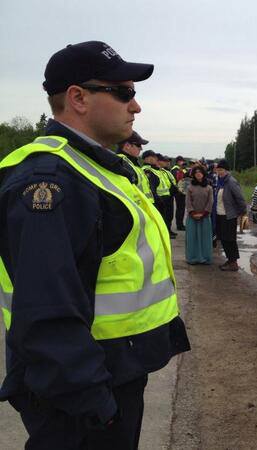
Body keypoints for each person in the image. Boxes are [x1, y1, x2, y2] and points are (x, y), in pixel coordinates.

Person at [0, 41, 190, 450]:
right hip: (80, 394)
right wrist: (93, 404)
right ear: (78, 98)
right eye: (123, 93)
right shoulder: (52, 180)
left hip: (108, 374)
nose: (135, 106)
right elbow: (46, 312)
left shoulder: (96, 167)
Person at [214, 159, 246, 271]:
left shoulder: (231, 182)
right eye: (218, 170)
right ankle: (230, 260)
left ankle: (233, 263)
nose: (220, 172)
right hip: (220, 215)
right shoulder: (219, 182)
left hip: (229, 216)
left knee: (230, 240)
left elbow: (240, 198)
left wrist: (242, 212)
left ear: (227, 170)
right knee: (223, 239)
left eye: (222, 170)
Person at [185, 166, 214, 265]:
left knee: (205, 238)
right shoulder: (189, 187)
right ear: (193, 174)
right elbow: (188, 202)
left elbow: (210, 202)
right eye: (196, 172)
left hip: (205, 217)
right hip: (192, 217)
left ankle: (205, 258)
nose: (198, 174)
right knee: (192, 238)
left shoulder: (209, 188)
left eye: (200, 172)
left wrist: (204, 213)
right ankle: (192, 258)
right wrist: (192, 213)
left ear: (203, 173)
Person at [116, 131, 154, 203]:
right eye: (138, 145)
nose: (141, 149)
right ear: (127, 146)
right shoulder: (122, 163)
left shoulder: (132, 163)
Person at [156, 154, 178, 238]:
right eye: (165, 161)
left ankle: (168, 230)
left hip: (169, 196)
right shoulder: (157, 171)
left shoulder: (165, 171)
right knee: (164, 216)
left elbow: (171, 182)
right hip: (161, 197)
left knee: (169, 215)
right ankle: (165, 232)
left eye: (168, 161)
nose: (167, 163)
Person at [172, 156, 187, 231]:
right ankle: (179, 225)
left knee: (182, 208)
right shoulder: (175, 169)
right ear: (178, 161)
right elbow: (178, 180)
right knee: (180, 209)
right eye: (181, 161)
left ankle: (181, 224)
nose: (183, 162)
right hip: (178, 192)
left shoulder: (182, 169)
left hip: (183, 191)